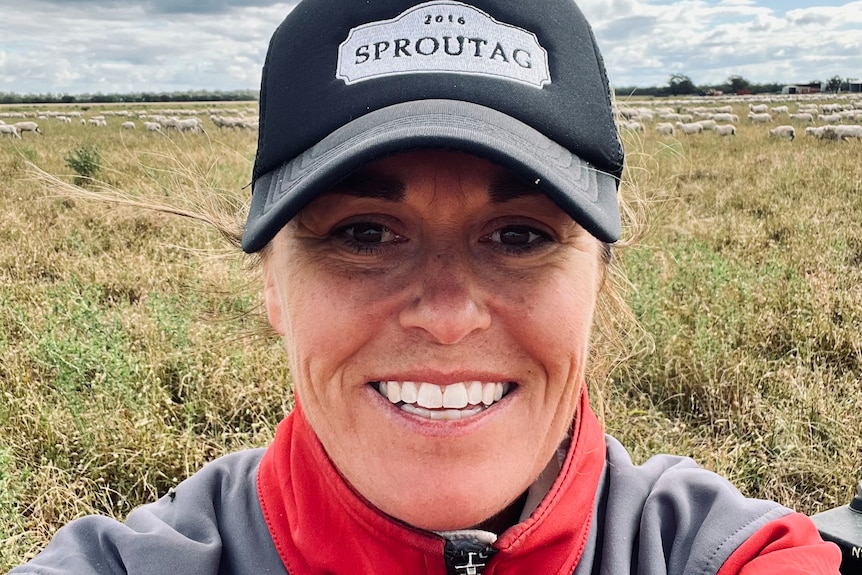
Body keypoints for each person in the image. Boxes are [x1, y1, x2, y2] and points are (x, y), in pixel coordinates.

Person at [9, 0, 842, 574]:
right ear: (270, 279)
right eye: (363, 233)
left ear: (598, 275)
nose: (448, 315)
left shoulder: (711, 548)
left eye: (520, 235)